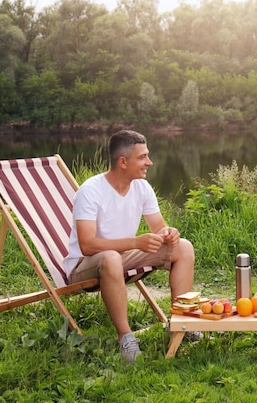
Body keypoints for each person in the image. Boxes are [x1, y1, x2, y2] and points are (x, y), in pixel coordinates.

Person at [62, 130, 195, 363]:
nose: (149, 162)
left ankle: (181, 324)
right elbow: (87, 245)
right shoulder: (91, 191)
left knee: (183, 247)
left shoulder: (142, 187)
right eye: (142, 157)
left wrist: (169, 234)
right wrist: (135, 242)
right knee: (112, 257)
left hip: (123, 256)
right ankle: (126, 338)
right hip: (85, 265)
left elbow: (159, 227)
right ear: (122, 162)